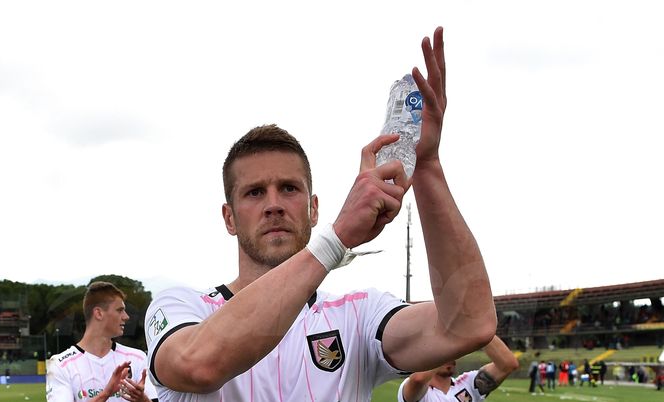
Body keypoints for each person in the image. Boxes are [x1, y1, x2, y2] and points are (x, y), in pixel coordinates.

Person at [144, 26, 497, 401]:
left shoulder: (358, 316)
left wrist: (425, 165)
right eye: (254, 192)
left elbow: (469, 325)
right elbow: (198, 365)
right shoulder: (180, 306)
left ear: (313, 209)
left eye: (290, 188)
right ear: (229, 218)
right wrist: (338, 237)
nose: (274, 203)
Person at [46, 281, 158, 402]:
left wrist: (143, 400)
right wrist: (106, 394)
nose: (126, 316)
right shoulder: (61, 364)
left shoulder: (138, 358)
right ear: (99, 313)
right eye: (120, 310)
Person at [397, 336, 519, 402]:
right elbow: (419, 379)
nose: (451, 356)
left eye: (453, 353)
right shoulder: (416, 389)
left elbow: (507, 364)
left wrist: (476, 328)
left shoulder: (468, 383)